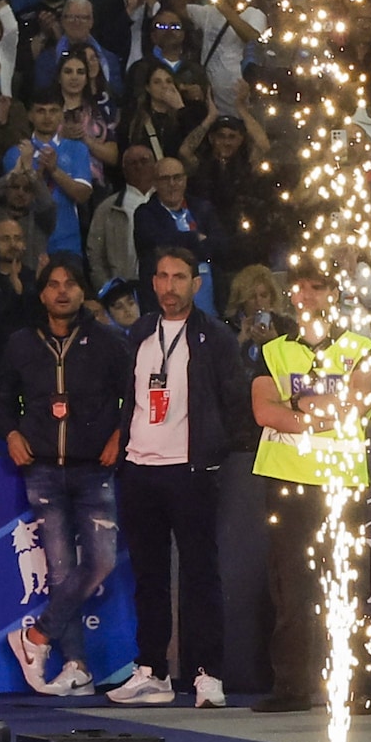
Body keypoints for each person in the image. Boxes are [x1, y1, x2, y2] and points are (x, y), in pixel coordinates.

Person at [108, 248, 250, 708]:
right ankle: (152, 670)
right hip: (139, 468)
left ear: (197, 283)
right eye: (162, 276)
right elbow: (126, 396)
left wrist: (219, 452)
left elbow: (234, 402)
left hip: (191, 470)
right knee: (148, 577)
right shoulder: (139, 333)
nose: (169, 286)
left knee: (200, 576)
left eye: (179, 277)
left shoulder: (216, 338)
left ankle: (208, 674)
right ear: (152, 282)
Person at [249, 268, 371, 714]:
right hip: (286, 480)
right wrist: (317, 412)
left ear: (336, 293)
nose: (307, 293)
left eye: (318, 285)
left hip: (341, 480)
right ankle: (291, 687)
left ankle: (353, 689)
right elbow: (263, 412)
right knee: (291, 588)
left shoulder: (363, 350)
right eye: (302, 285)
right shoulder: (272, 351)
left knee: (347, 585)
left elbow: (355, 406)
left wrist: (296, 405)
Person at [0, 257, 131, 698]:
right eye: (53, 285)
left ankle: (36, 637)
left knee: (101, 562)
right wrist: (11, 433)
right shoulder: (20, 344)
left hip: (94, 468)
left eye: (71, 284)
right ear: (41, 294)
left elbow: (133, 397)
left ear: (83, 292)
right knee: (59, 572)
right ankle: (76, 666)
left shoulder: (108, 343)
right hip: (42, 470)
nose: (61, 291)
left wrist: (120, 435)